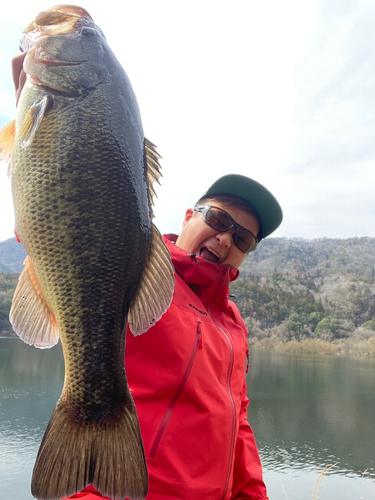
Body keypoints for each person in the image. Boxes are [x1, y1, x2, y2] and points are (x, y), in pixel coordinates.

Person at [11, 54, 282, 499]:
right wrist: (43, 119)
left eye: (244, 239)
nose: (225, 238)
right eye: (218, 218)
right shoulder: (135, 267)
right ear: (190, 215)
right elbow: (71, 223)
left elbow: (238, 422)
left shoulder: (233, 326)